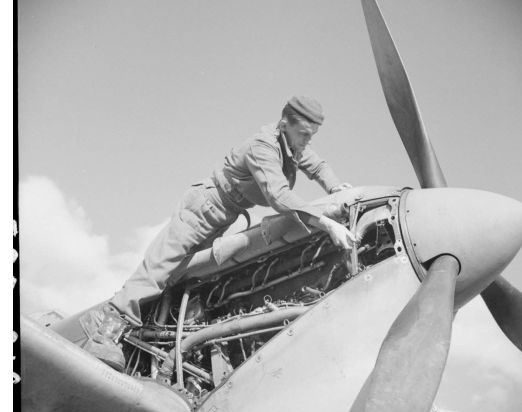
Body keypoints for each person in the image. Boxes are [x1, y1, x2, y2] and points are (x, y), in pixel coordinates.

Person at [81, 96, 356, 371]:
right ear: (285, 124)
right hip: (205, 206)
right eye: (305, 134)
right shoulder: (263, 145)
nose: (308, 141)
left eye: (313, 136)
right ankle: (104, 331)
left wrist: (335, 189)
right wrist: (326, 222)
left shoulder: (293, 144)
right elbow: (278, 195)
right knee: (160, 267)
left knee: (186, 276)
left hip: (225, 214)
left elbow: (318, 167)